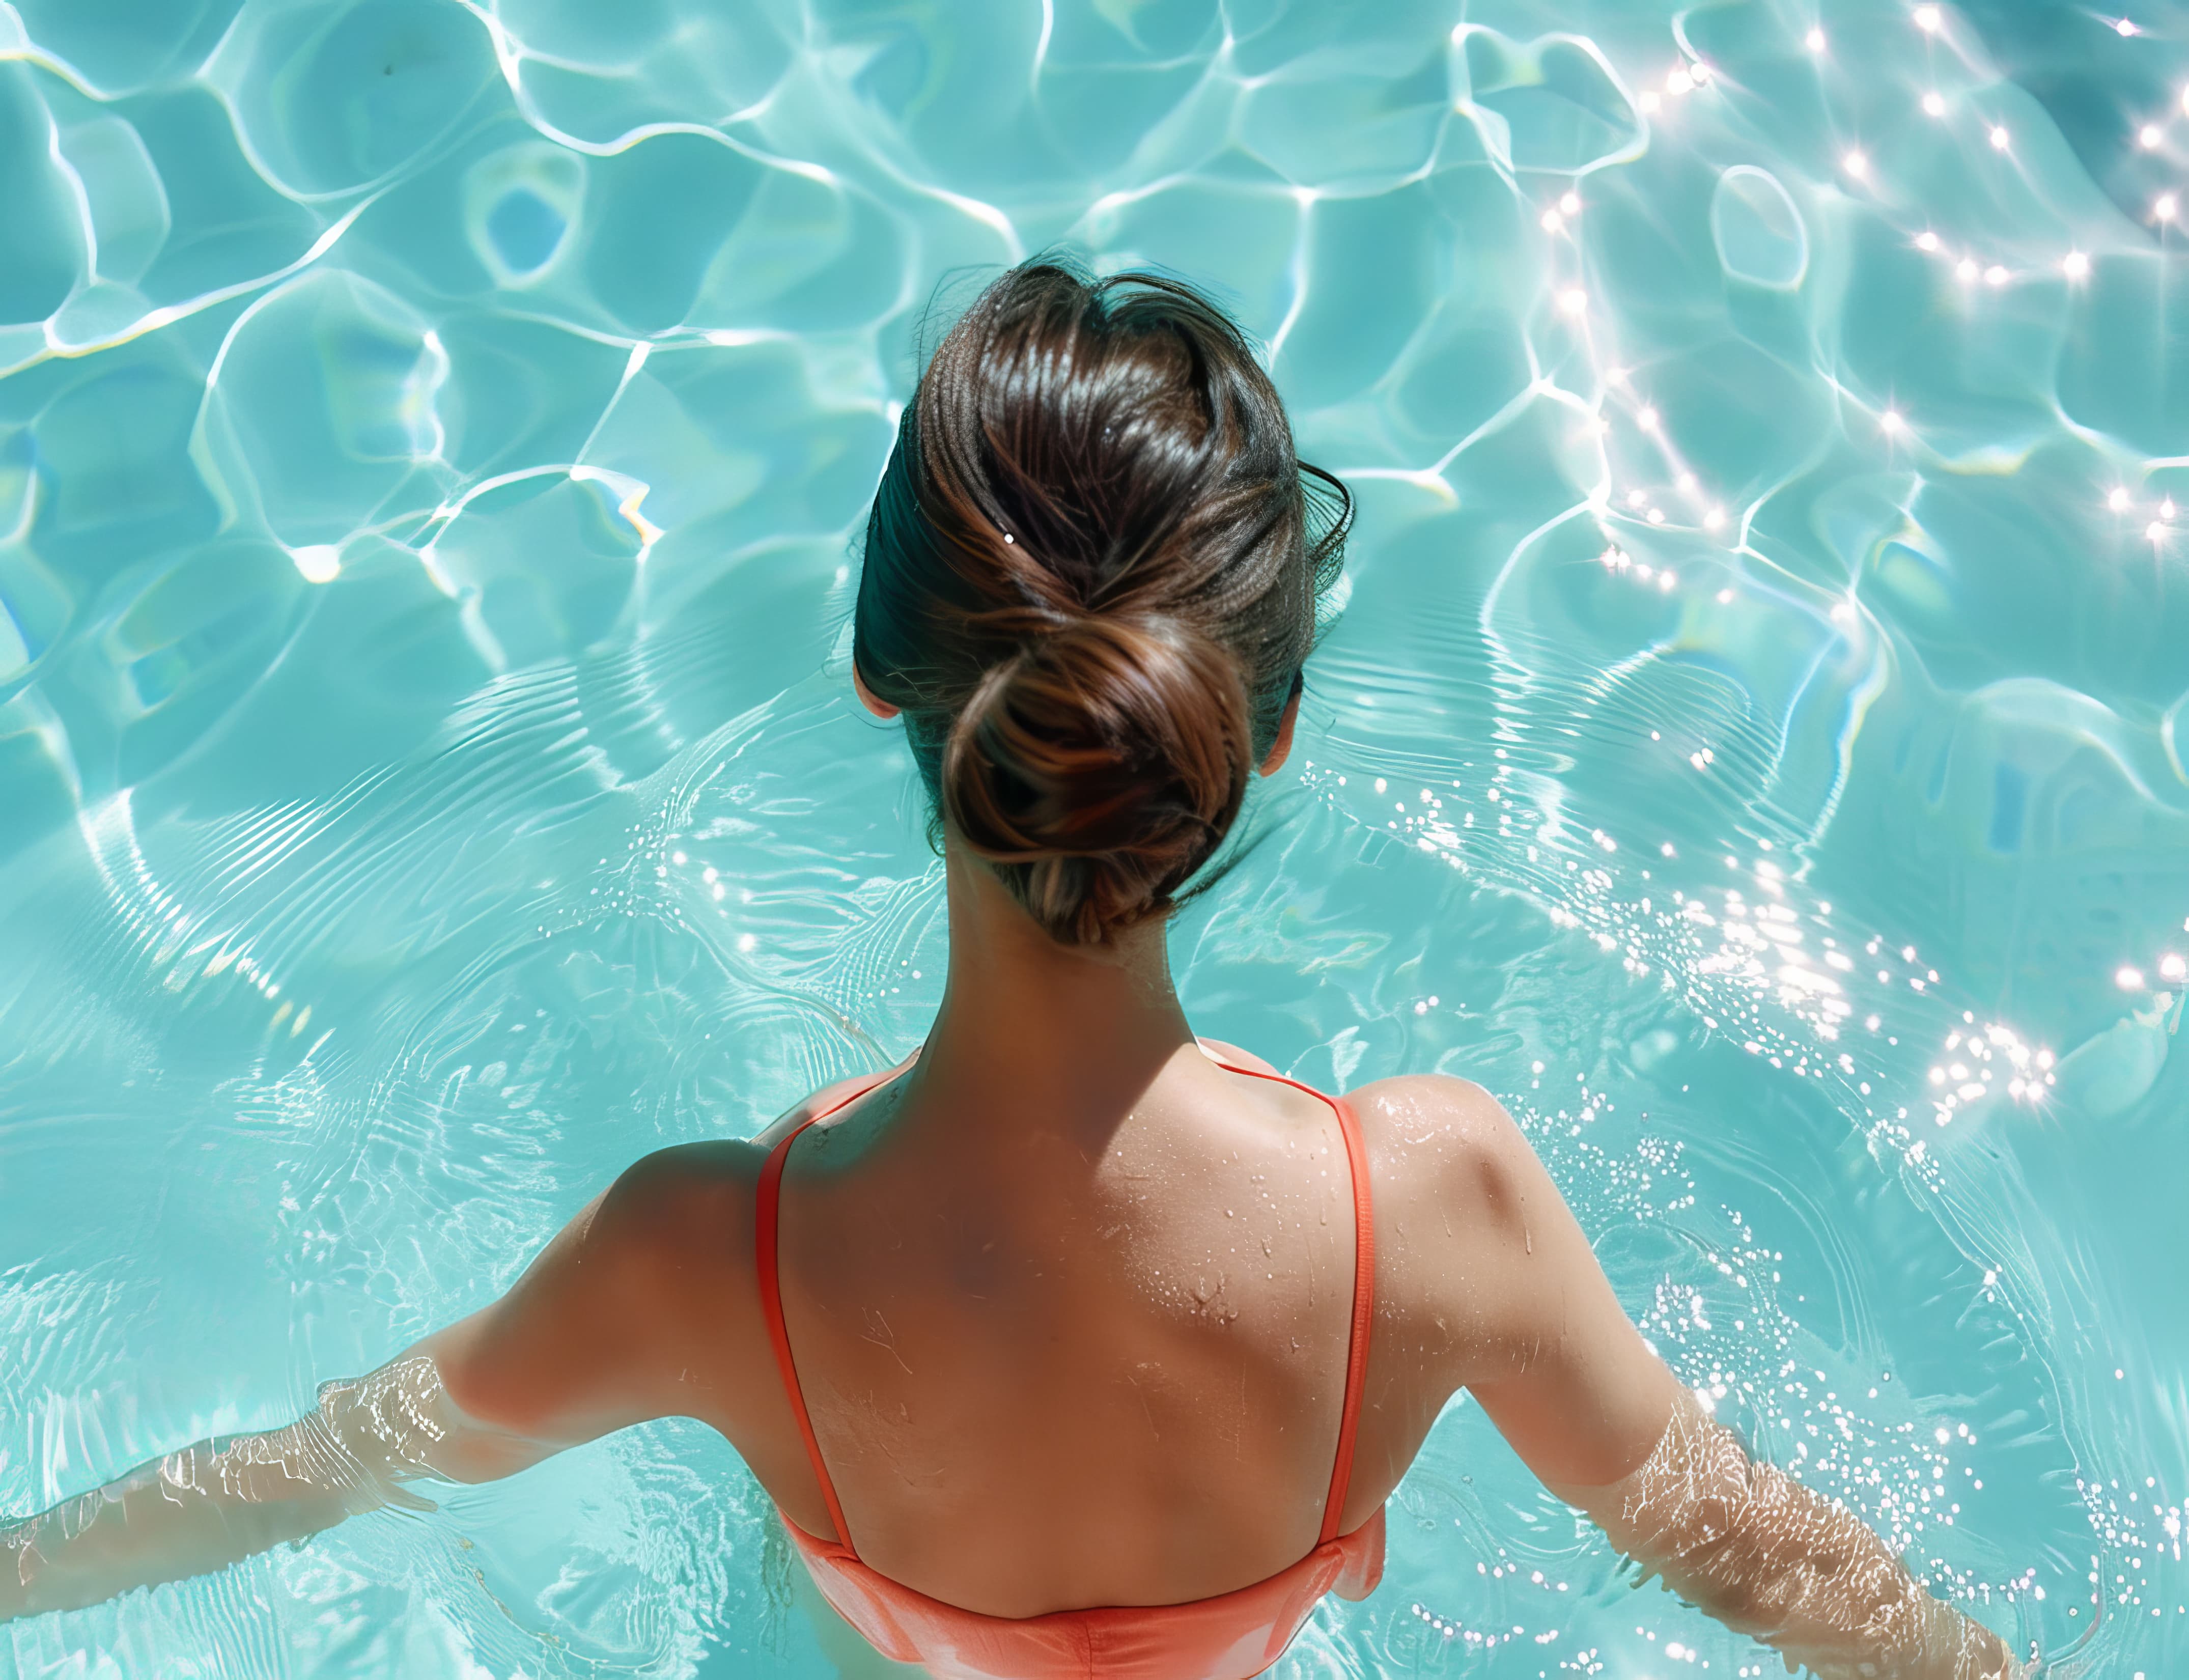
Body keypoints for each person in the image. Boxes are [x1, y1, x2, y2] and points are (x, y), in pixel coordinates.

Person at [1, 259, 2020, 1680]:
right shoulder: (1432, 1213)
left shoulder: (717, 1261)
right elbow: (1773, 1567)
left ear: (878, 672)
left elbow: (315, 1474)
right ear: (1264, 733)